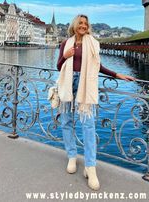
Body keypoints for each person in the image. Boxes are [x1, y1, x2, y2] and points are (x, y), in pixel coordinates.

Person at [57, 15, 135, 190]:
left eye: (86, 24)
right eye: (81, 23)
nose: (83, 26)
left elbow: (97, 66)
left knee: (88, 125)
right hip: (68, 84)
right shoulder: (66, 44)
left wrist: (116, 74)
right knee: (66, 122)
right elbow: (58, 66)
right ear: (75, 26)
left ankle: (90, 167)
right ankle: (72, 156)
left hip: (86, 84)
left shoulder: (91, 43)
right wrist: (65, 56)